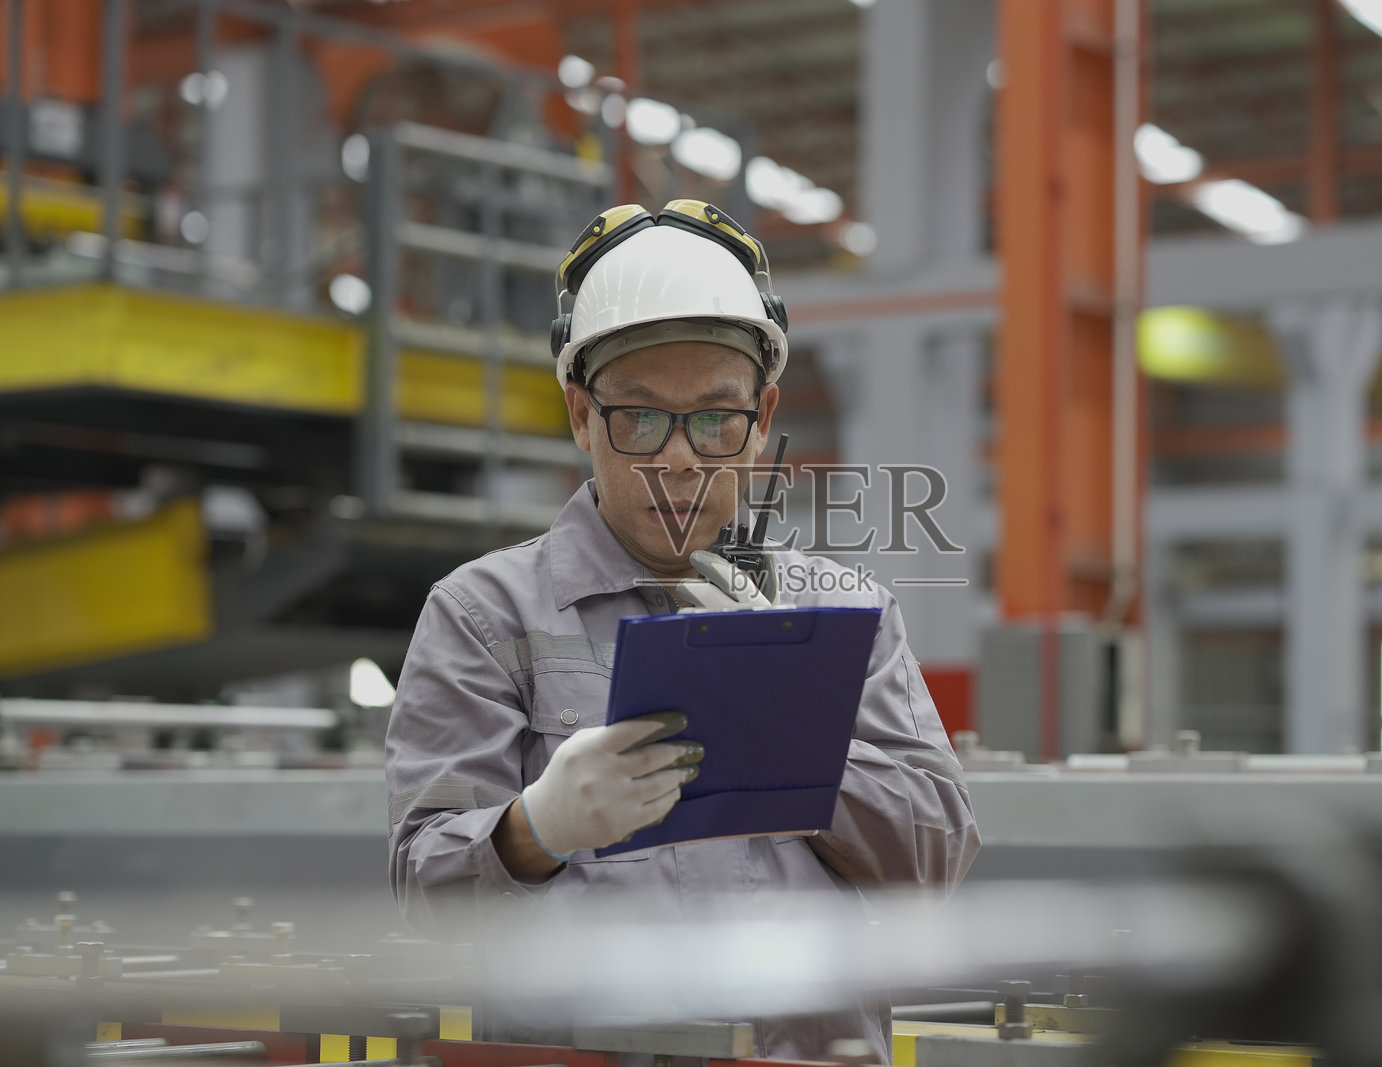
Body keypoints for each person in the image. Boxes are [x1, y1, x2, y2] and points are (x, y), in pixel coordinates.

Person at [385, 200, 980, 1060]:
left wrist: (792, 735)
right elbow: (421, 889)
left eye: (714, 418)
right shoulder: (484, 615)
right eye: (639, 416)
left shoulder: (846, 612)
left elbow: (936, 858)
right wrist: (531, 831)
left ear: (763, 413)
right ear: (581, 414)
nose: (679, 457)